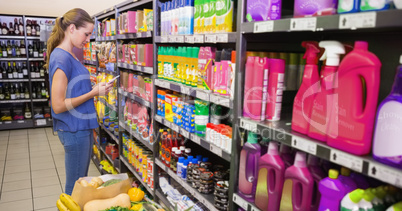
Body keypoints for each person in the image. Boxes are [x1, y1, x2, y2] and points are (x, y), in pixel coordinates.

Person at [45, 8, 112, 195]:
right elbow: (58, 105)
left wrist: (88, 86)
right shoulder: (61, 57)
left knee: (80, 181)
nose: (88, 39)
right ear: (72, 28)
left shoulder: (70, 54)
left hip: (80, 127)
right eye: (86, 34)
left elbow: (70, 87)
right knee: (75, 186)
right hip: (74, 130)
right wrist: (93, 93)